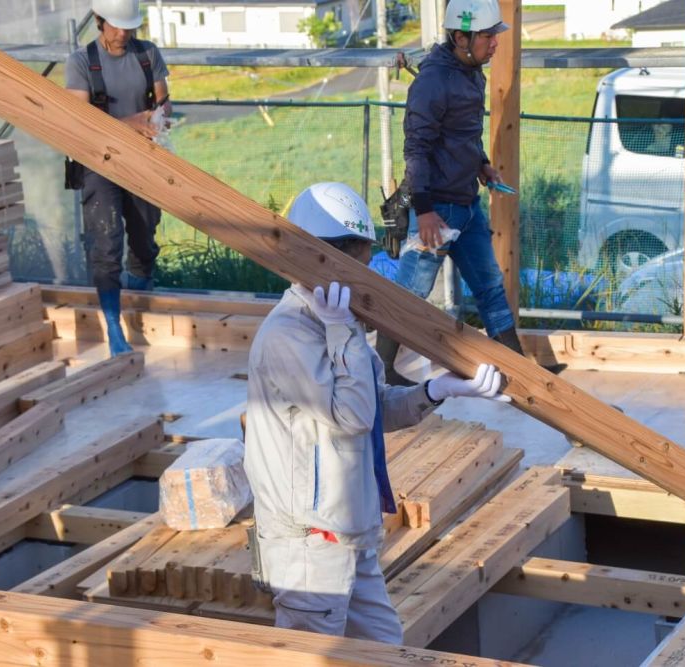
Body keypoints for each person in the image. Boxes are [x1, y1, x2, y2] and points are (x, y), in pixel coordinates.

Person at [244, 182, 509, 642]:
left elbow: (376, 410)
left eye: (362, 264)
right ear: (316, 259)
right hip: (311, 550)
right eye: (350, 264)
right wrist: (343, 332)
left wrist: (439, 389)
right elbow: (353, 415)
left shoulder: (332, 322)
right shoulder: (290, 335)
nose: (359, 278)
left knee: (387, 649)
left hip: (352, 534)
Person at [376, 0, 561, 384]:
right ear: (461, 37)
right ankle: (382, 372)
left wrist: (481, 164)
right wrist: (424, 211)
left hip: (466, 206)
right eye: (488, 36)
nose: (495, 43)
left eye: (495, 35)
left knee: (490, 285)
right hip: (438, 211)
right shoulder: (432, 81)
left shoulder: (471, 71)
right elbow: (417, 149)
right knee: (410, 293)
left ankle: (519, 370)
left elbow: (461, 134)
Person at [65, 0, 172, 356]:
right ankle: (114, 327)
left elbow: (163, 100)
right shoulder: (81, 62)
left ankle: (141, 303)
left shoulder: (148, 54)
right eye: (115, 26)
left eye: (129, 27)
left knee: (144, 239)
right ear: (98, 21)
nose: (122, 33)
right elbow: (79, 120)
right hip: (100, 164)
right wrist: (132, 125)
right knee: (106, 244)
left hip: (142, 161)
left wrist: (158, 119)